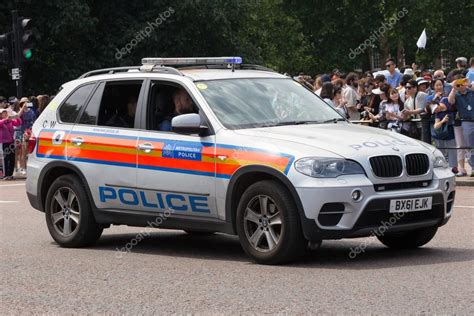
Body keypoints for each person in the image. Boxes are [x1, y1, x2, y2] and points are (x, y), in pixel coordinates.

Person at [448, 75, 474, 176]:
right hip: (466, 121)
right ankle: (473, 167)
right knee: (470, 146)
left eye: (462, 83)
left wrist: (468, 84)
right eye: (459, 84)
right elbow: (450, 101)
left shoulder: (471, 91)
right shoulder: (457, 94)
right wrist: (454, 88)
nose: (461, 86)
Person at [430, 99, 457, 171]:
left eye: (435, 109)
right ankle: (445, 168)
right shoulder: (438, 114)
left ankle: (453, 168)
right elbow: (436, 126)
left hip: (453, 131)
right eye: (434, 111)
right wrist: (443, 121)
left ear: (438, 104)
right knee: (443, 152)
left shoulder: (446, 100)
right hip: (445, 133)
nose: (436, 111)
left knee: (452, 150)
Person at [0, 108, 22, 180]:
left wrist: (17, 117)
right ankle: (5, 174)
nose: (5, 114)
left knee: (12, 158)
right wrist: (6, 119)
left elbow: (18, 123)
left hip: (11, 142)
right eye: (3, 113)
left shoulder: (10, 121)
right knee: (6, 159)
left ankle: (10, 174)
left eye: (5, 112)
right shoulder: (2, 121)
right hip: (4, 142)